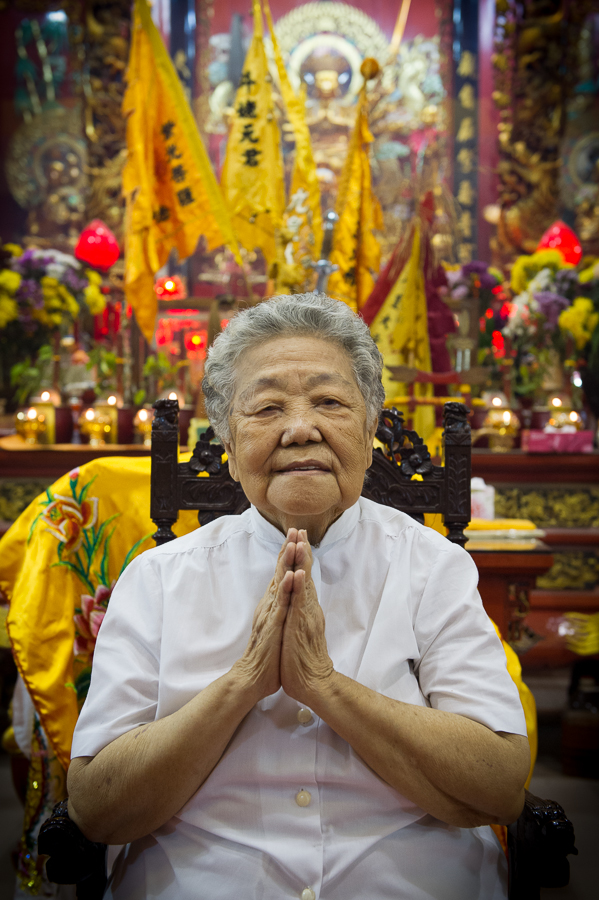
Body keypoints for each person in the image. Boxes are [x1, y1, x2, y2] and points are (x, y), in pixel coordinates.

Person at [68, 293, 530, 900]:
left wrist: (324, 686)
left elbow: (499, 787)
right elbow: (97, 808)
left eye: (330, 402)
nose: (301, 428)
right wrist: (245, 683)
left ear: (369, 436)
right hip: (204, 876)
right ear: (228, 449)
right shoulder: (159, 578)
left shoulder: (433, 566)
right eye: (266, 408)